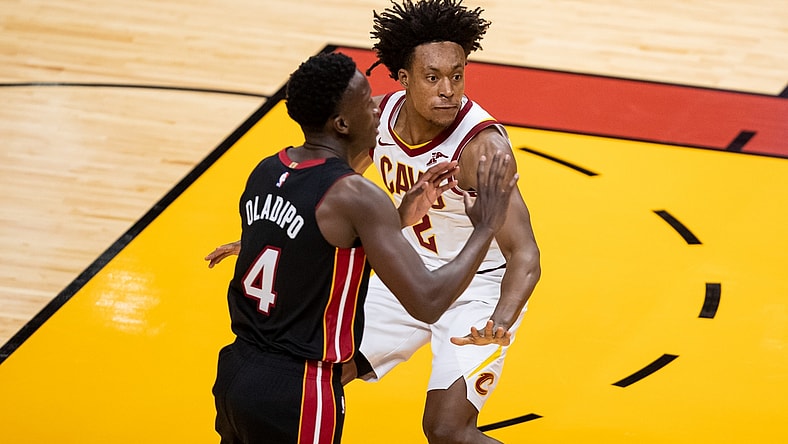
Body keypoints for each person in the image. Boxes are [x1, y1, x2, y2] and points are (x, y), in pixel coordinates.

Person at [209, 51, 517, 444]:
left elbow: (312, 240)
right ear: (341, 123)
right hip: (301, 388)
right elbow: (427, 301)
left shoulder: (270, 169)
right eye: (365, 105)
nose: (378, 112)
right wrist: (486, 225)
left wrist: (400, 216)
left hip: (237, 372)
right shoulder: (355, 194)